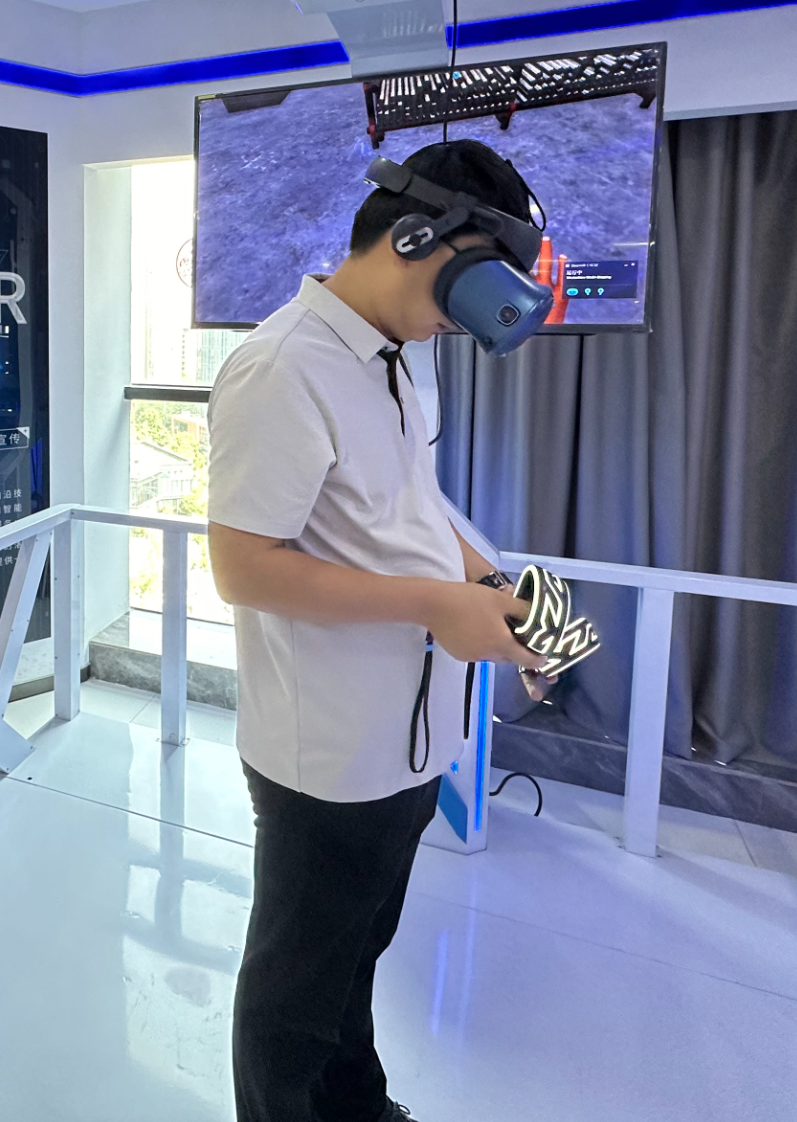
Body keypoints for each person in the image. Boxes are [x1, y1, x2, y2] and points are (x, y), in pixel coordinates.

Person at [208, 139, 551, 1122]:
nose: (460, 321)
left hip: (409, 733)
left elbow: (411, 505)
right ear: (411, 237)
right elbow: (242, 566)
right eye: (468, 286)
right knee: (294, 988)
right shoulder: (281, 369)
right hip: (327, 750)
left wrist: (484, 581)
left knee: (358, 948)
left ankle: (358, 1105)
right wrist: (436, 606)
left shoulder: (399, 358)